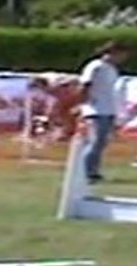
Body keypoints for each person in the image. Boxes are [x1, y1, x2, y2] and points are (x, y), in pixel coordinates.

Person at [78, 41, 130, 183]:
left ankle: (93, 170)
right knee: (95, 141)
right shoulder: (95, 66)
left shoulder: (112, 69)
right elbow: (85, 84)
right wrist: (84, 102)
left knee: (101, 142)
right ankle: (85, 171)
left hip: (108, 108)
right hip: (96, 109)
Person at [29, 72, 83, 142]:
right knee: (61, 111)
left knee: (59, 111)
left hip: (76, 87)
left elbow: (59, 97)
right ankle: (68, 131)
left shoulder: (54, 84)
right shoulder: (49, 83)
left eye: (38, 87)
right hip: (72, 87)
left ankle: (67, 131)